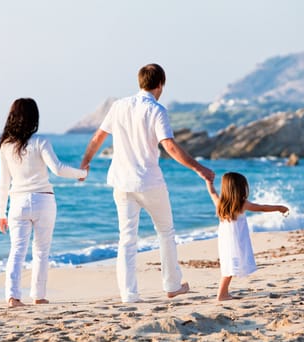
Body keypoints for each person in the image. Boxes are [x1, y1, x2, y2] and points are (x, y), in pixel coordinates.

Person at [80, 63, 214, 303]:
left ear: (140, 82)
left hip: (122, 183)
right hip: (149, 182)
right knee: (165, 232)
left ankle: (129, 294)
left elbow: (98, 137)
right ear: (160, 85)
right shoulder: (156, 110)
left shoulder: (118, 106)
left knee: (127, 238)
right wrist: (200, 168)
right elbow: (169, 146)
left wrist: (85, 163)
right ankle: (172, 285)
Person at [0, 98, 88, 308]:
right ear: (34, 117)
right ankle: (38, 295)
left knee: (16, 251)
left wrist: (1, 212)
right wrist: (81, 174)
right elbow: (58, 168)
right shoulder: (41, 141)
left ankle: (12, 297)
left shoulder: (7, 146)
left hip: (17, 203)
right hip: (44, 200)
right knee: (41, 251)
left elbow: (3, 183)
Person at [206, 172, 289, 301]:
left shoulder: (220, 204)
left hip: (225, 240)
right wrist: (279, 207)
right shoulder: (241, 204)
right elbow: (262, 208)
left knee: (229, 264)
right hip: (237, 239)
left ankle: (223, 293)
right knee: (232, 265)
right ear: (239, 189)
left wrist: (209, 182)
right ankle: (222, 294)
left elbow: (212, 193)